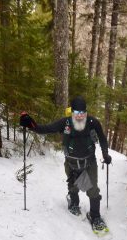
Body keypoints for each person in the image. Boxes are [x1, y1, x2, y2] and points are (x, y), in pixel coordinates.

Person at [20, 95, 112, 231]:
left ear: (86, 112)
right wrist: (30, 124)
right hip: (72, 163)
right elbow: (44, 129)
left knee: (92, 191)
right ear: (72, 111)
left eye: (82, 113)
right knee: (74, 186)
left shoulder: (93, 122)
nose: (80, 116)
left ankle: (95, 216)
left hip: (89, 163)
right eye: (76, 113)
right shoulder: (65, 122)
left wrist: (105, 153)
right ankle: (73, 203)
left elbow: (103, 139)